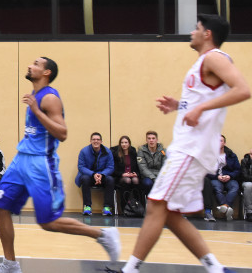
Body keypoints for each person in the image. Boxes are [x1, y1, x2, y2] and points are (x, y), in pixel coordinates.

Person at [107, 14, 250, 273]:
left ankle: (130, 269)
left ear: (207, 34)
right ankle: (216, 268)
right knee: (170, 214)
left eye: (197, 28)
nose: (192, 32)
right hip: (188, 148)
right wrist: (180, 106)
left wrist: (202, 106)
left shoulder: (214, 57)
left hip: (191, 149)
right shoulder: (202, 64)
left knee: (154, 205)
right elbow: (202, 101)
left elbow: (243, 89)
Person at [0, 57, 120, 273]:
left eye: (36, 64)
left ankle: (103, 235)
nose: (30, 65)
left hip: (41, 164)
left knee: (48, 222)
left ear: (46, 72)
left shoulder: (49, 98)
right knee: (1, 206)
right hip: (21, 160)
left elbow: (63, 133)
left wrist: (38, 112)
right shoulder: (36, 96)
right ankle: (10, 265)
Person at [76, 132, 115, 216]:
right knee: (84, 179)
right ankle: (87, 206)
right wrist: (93, 174)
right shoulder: (84, 151)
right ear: (90, 141)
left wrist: (102, 175)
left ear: (101, 141)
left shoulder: (107, 152)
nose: (96, 141)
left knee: (111, 180)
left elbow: (111, 167)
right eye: (94, 139)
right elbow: (81, 167)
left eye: (98, 139)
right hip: (89, 176)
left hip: (102, 176)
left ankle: (107, 207)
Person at [204, 135, 241, 222]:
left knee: (235, 187)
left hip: (229, 178)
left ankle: (225, 206)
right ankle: (227, 209)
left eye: (220, 141)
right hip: (216, 178)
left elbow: (238, 170)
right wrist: (217, 176)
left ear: (224, 143)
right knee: (217, 188)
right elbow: (206, 171)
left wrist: (230, 176)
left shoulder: (231, 155)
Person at [112, 135, 141, 213]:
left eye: (126, 142)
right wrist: (122, 174)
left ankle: (137, 205)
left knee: (135, 180)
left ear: (129, 144)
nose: (124, 144)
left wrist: (136, 173)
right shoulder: (116, 154)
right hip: (120, 177)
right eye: (122, 143)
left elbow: (138, 167)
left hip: (131, 175)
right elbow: (114, 170)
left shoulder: (133, 153)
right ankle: (125, 206)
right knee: (127, 180)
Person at [241, 148, 252, 221]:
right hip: (247, 181)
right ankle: (249, 212)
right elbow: (245, 176)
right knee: (249, 186)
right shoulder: (244, 161)